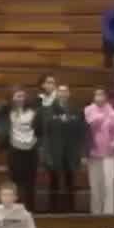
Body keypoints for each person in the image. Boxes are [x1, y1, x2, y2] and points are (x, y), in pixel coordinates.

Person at [0, 89, 40, 211]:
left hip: (31, 150)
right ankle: (16, 209)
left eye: (22, 96)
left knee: (30, 183)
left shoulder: (33, 111)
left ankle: (30, 210)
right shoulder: (6, 112)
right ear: (12, 98)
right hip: (14, 150)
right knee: (16, 182)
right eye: (17, 96)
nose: (20, 99)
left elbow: (41, 129)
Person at [38, 86, 85, 214]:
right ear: (56, 94)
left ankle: (70, 208)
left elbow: (81, 132)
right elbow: (45, 133)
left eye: (65, 91)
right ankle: (53, 209)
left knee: (70, 181)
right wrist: (46, 153)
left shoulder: (76, 110)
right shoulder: (48, 110)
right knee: (54, 181)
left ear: (69, 94)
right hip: (54, 152)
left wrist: (80, 152)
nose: (63, 93)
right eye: (60, 91)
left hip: (71, 152)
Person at [84, 88, 114, 216]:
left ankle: (108, 214)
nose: (99, 97)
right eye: (96, 94)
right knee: (95, 187)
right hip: (93, 154)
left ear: (106, 97)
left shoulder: (113, 113)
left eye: (101, 94)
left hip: (108, 154)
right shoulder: (88, 111)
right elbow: (84, 131)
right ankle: (95, 214)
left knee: (108, 186)